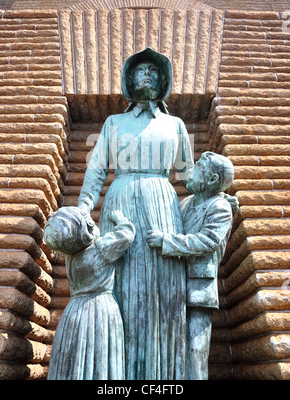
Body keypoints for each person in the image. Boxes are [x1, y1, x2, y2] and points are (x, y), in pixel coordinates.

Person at [77, 47, 194, 380]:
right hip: (121, 203)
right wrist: (84, 207)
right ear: (129, 79)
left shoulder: (175, 124)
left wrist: (216, 199)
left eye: (155, 72)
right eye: (142, 70)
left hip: (162, 205)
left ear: (164, 82)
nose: (148, 75)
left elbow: (190, 177)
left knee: (165, 291)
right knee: (120, 288)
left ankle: (163, 376)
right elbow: (97, 168)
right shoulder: (114, 123)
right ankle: (117, 374)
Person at [147, 151, 234, 380]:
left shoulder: (220, 207)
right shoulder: (186, 203)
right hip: (172, 284)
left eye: (200, 167)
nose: (192, 171)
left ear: (213, 180)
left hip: (198, 290)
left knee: (195, 353)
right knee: (173, 351)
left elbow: (208, 241)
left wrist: (166, 241)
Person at [44, 206, 135, 380]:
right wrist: (120, 219)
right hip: (100, 310)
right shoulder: (101, 249)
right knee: (99, 358)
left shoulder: (71, 256)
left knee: (73, 358)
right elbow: (126, 234)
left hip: (74, 311)